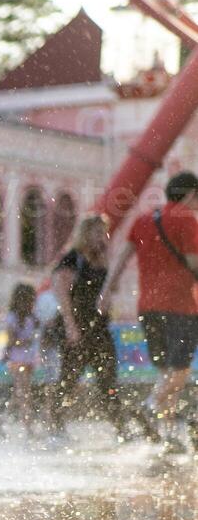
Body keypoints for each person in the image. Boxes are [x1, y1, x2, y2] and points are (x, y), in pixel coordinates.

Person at [106, 171, 198, 451]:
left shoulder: (144, 219)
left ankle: (169, 436)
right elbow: (194, 263)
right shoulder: (186, 220)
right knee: (179, 370)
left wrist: (109, 289)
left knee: (167, 373)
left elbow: (124, 255)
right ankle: (150, 406)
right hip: (180, 305)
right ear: (189, 193)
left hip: (147, 307)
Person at [48, 215, 126, 441]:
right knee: (69, 380)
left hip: (100, 328)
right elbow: (62, 294)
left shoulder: (102, 259)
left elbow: (111, 290)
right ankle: (56, 426)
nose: (103, 237)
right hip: (77, 328)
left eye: (104, 232)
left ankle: (120, 427)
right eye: (98, 232)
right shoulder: (72, 259)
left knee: (108, 379)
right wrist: (71, 327)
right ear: (86, 233)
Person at [4, 283, 41, 433]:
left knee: (19, 394)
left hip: (29, 359)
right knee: (24, 395)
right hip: (17, 359)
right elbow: (11, 341)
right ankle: (28, 427)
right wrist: (27, 341)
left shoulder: (31, 317)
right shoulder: (12, 317)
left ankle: (1, 419)